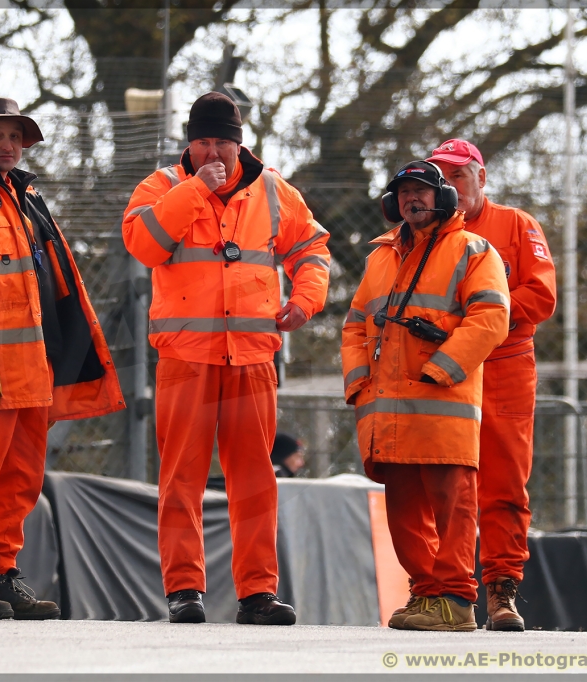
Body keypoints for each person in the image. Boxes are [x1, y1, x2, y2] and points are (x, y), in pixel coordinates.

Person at [123, 92, 330, 625]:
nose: (211, 150)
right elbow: (143, 245)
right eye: (201, 141)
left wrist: (306, 300)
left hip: (253, 358)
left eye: (221, 141)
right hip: (186, 357)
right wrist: (197, 189)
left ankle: (258, 594)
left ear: (240, 142)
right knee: (181, 478)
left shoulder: (274, 190)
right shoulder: (163, 187)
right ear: (188, 143)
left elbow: (312, 250)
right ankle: (184, 590)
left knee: (256, 479)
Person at [0, 98, 125, 619]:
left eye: (15, 136)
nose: (8, 145)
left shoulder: (22, 196)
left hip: (32, 370)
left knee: (20, 477)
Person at [340, 160, 509, 631]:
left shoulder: (474, 250)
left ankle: (455, 600)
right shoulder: (380, 257)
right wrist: (358, 383)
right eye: (404, 192)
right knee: (404, 505)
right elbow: (355, 324)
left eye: (422, 191)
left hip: (444, 403)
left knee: (453, 502)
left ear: (444, 199)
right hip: (389, 408)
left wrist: (441, 370)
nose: (412, 199)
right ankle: (427, 595)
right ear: (393, 203)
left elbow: (491, 318)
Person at [426, 139, 557, 631]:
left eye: (460, 175)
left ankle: (502, 591)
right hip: (442, 368)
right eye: (443, 177)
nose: (452, 186)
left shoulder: (517, 225)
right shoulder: (427, 230)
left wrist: (480, 320)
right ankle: (443, 591)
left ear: (482, 177)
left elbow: (540, 296)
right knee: (442, 480)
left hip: (503, 366)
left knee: (504, 479)